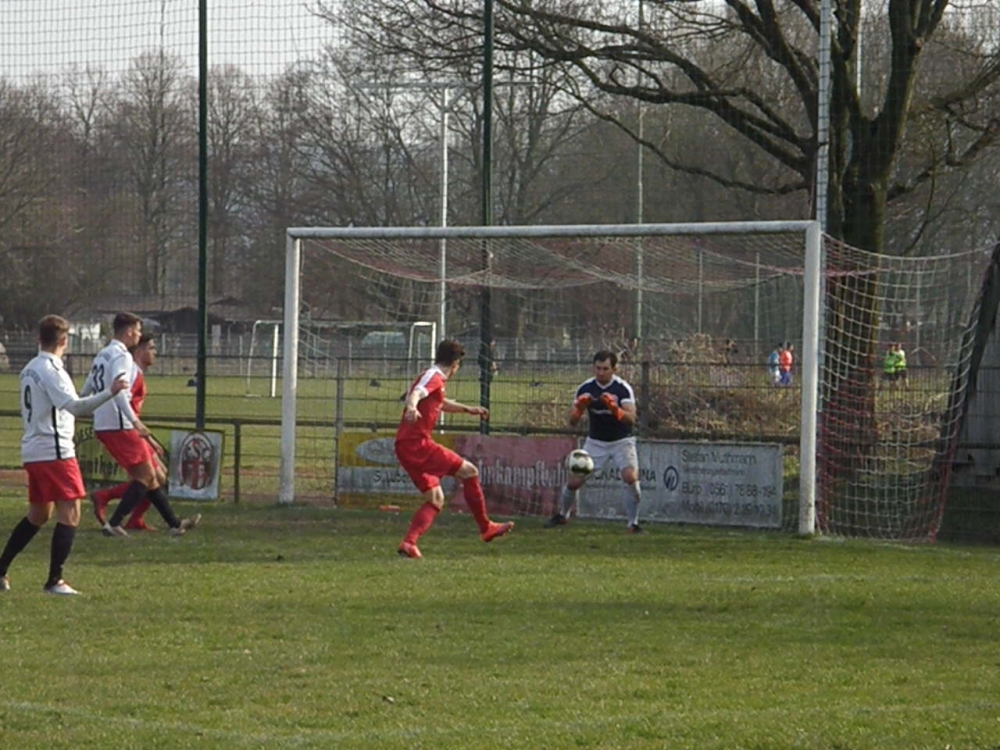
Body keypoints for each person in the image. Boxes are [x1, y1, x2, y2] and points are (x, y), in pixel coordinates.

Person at [0, 315, 129, 595]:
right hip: (55, 450)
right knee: (70, 512)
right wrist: (111, 391)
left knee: (38, 514)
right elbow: (75, 407)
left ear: (38, 338)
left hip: (33, 449)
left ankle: (0, 571)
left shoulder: (29, 369)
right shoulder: (52, 370)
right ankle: (54, 580)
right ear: (63, 341)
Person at [83, 313, 200, 538]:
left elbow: (87, 389)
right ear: (128, 332)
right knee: (147, 476)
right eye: (137, 330)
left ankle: (174, 524)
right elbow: (120, 395)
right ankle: (115, 523)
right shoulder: (122, 357)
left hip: (105, 424)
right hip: (120, 424)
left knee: (152, 476)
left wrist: (78, 407)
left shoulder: (102, 354)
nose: (138, 334)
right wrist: (135, 422)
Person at [395, 339, 514, 559]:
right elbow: (417, 394)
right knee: (470, 472)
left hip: (404, 446)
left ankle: (409, 543)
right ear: (456, 363)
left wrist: (468, 409)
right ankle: (486, 527)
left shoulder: (433, 378)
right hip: (417, 444)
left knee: (435, 498)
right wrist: (411, 407)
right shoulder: (434, 376)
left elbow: (439, 401)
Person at [545, 350, 643, 533]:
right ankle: (562, 515)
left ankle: (633, 523)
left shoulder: (622, 388)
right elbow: (572, 421)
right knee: (574, 482)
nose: (600, 373)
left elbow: (631, 420)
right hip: (596, 442)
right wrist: (579, 409)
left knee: (630, 478)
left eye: (605, 369)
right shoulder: (585, 388)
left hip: (622, 441)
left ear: (614, 369)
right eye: (597, 368)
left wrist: (615, 409)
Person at [91, 333, 165, 531]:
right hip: (123, 427)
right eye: (151, 348)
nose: (155, 353)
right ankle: (108, 503)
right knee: (149, 477)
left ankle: (135, 519)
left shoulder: (132, 370)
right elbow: (124, 402)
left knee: (157, 476)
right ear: (139, 351)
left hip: (127, 426)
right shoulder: (130, 371)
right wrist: (141, 431)